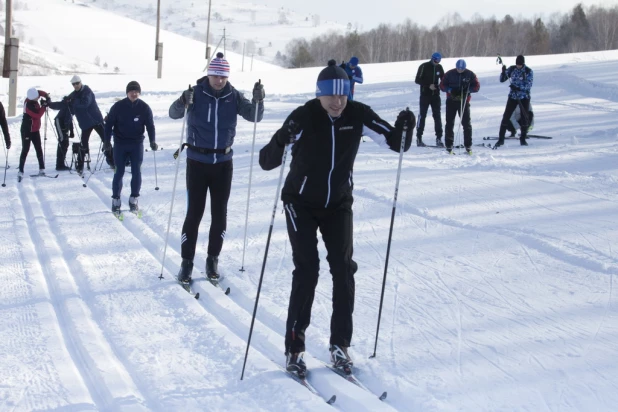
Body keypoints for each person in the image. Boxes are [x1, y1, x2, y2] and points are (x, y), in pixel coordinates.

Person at [258, 59, 414, 377]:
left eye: (343, 95)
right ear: (319, 95)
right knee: (308, 270)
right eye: (330, 95)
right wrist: (282, 138)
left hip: (338, 203)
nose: (337, 101)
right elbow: (267, 161)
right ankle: (295, 348)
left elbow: (397, 144)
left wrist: (406, 128)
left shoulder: (357, 115)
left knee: (343, 269)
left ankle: (340, 345)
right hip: (299, 202)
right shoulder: (304, 116)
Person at [169, 53, 264, 283]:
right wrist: (183, 100)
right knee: (195, 214)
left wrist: (259, 100)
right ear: (209, 74)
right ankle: (187, 263)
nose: (219, 80)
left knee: (220, 214)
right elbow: (173, 114)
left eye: (223, 76)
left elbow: (254, 116)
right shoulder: (196, 93)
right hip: (197, 162)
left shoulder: (234, 96)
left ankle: (213, 259)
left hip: (223, 163)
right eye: (215, 75)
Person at [104, 81, 156, 214]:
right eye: (132, 91)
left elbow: (150, 125)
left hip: (136, 144)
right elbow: (109, 124)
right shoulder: (118, 107)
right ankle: (116, 200)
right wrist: (106, 141)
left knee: (136, 171)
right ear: (127, 92)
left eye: (136, 91)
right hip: (120, 143)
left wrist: (152, 141)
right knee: (119, 172)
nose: (134, 93)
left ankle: (133, 199)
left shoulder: (144, 108)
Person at [67, 75, 114, 174]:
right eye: (73, 84)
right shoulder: (73, 95)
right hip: (85, 124)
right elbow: (65, 104)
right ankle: (80, 166)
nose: (75, 86)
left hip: (97, 121)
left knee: (106, 141)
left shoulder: (87, 91)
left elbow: (85, 103)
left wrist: (73, 101)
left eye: (77, 83)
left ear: (81, 82)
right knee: (83, 144)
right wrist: (49, 104)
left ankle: (113, 162)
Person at [439, 59, 480, 153]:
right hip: (451, 101)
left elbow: (477, 86)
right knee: (449, 123)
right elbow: (442, 86)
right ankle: (449, 145)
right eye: (458, 68)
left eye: (462, 69)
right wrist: (449, 90)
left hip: (464, 101)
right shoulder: (449, 74)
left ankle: (468, 145)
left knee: (466, 124)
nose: (460, 70)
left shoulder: (470, 74)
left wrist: (468, 90)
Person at [496, 55, 533, 147]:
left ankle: (523, 139)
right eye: (517, 64)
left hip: (524, 97)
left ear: (523, 63)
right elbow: (502, 79)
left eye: (520, 65)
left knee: (524, 117)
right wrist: (503, 72)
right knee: (506, 116)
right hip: (512, 97)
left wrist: (518, 87)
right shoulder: (512, 69)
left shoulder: (528, 71)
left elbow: (528, 85)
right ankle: (501, 139)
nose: (518, 66)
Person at [18, 88, 50, 181]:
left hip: (35, 130)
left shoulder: (33, 96)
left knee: (39, 149)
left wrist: (46, 96)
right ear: (32, 98)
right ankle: (20, 170)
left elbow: (39, 93)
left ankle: (42, 169)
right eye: (37, 97)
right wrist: (44, 106)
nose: (38, 97)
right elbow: (38, 115)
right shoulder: (28, 106)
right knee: (25, 149)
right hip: (27, 131)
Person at [414, 52, 444, 147]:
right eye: (435, 60)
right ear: (432, 59)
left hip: (435, 95)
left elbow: (444, 80)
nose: (437, 62)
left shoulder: (439, 67)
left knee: (437, 116)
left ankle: (439, 138)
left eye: (438, 61)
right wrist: (428, 85)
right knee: (422, 116)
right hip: (425, 95)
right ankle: (419, 138)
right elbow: (417, 80)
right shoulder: (424, 66)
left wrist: (438, 86)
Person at [47, 96, 74, 171]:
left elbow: (70, 118)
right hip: (59, 121)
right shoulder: (69, 104)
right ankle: (59, 164)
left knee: (65, 142)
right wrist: (66, 128)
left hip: (64, 124)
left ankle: (61, 163)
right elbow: (57, 105)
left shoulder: (73, 105)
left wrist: (71, 131)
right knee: (63, 141)